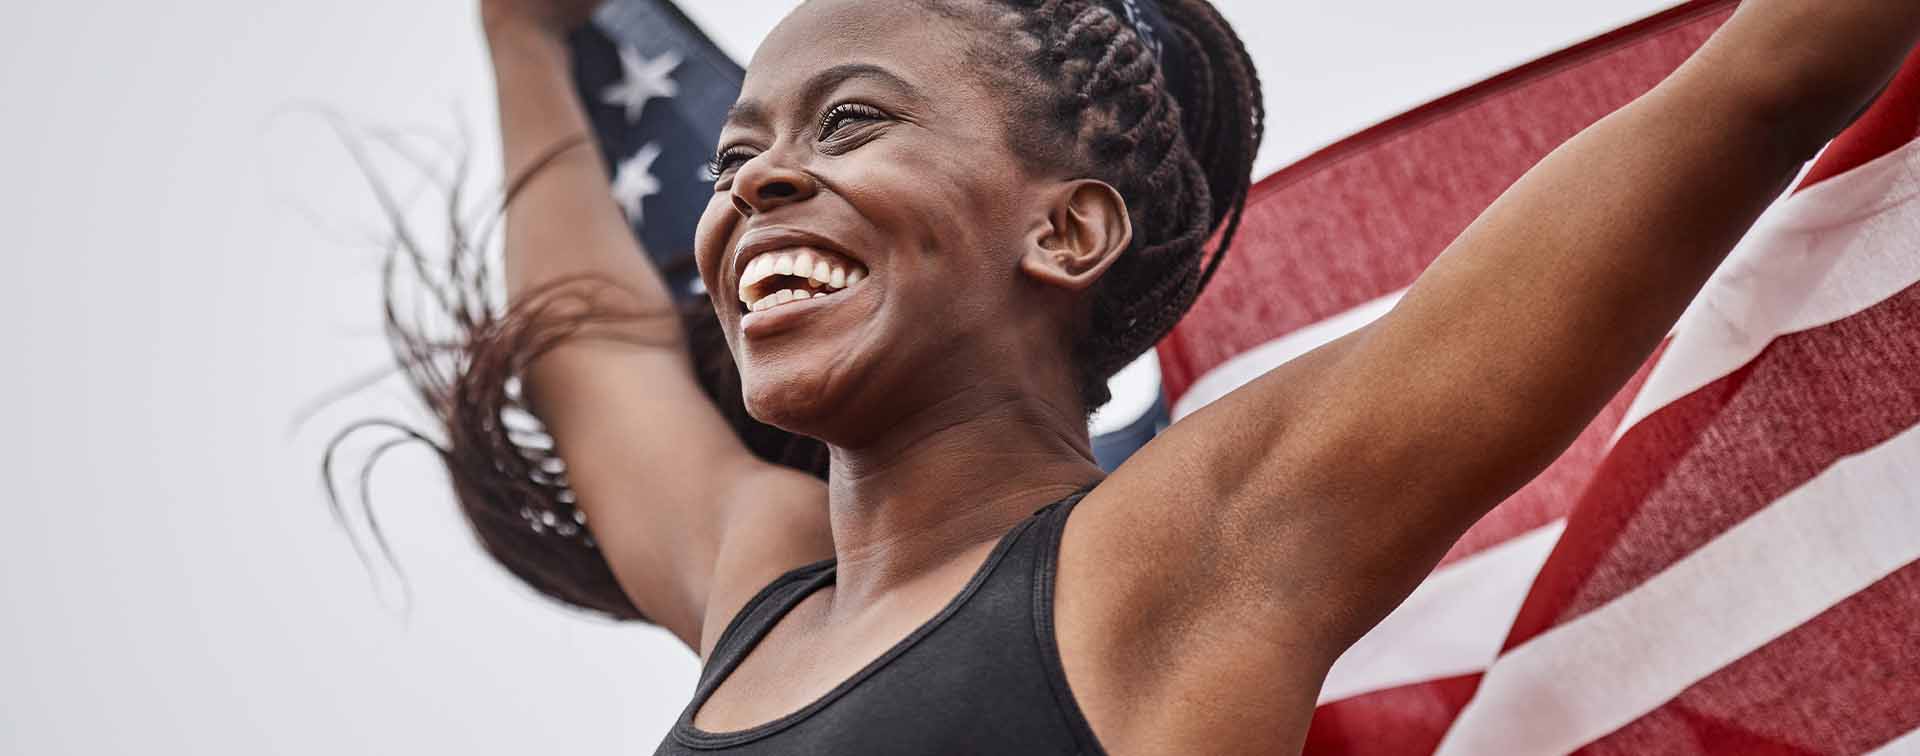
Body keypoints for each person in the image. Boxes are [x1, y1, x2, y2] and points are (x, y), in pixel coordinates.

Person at [357, 0, 1919, 752]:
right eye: (733, 156)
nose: (753, 185)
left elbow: (1755, 91)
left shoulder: (1184, 557)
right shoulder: (754, 587)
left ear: (1066, 228)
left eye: (850, 123)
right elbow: (592, 347)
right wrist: (523, 35)